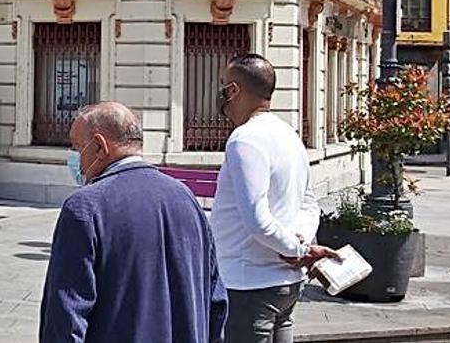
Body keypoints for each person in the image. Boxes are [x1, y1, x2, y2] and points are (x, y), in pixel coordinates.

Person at [39, 102, 227, 343]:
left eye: (77, 148)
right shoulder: (185, 198)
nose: (76, 159)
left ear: (99, 146)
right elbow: (216, 302)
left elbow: (65, 318)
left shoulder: (85, 208)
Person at [212, 54, 337, 343]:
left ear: (234, 90)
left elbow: (257, 219)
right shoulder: (289, 135)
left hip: (248, 282)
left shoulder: (245, 139)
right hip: (286, 284)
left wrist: (296, 249)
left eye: (223, 87)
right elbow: (309, 203)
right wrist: (301, 243)